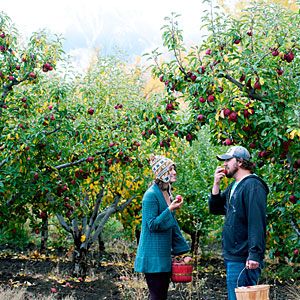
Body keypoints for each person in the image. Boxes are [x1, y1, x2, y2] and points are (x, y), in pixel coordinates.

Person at [208, 146, 269, 300]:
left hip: (244, 258)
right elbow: (216, 208)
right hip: (233, 255)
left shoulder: (253, 186)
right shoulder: (234, 185)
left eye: (228, 160)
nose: (224, 164)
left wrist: (254, 254)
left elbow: (256, 222)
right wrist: (216, 184)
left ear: (240, 162)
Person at [134, 154, 190, 300]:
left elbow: (171, 225)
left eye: (174, 169)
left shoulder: (167, 193)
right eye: (170, 169)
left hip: (163, 256)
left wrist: (182, 252)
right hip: (153, 257)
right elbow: (152, 224)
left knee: (161, 296)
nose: (174, 172)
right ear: (162, 173)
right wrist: (170, 209)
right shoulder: (150, 196)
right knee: (157, 297)